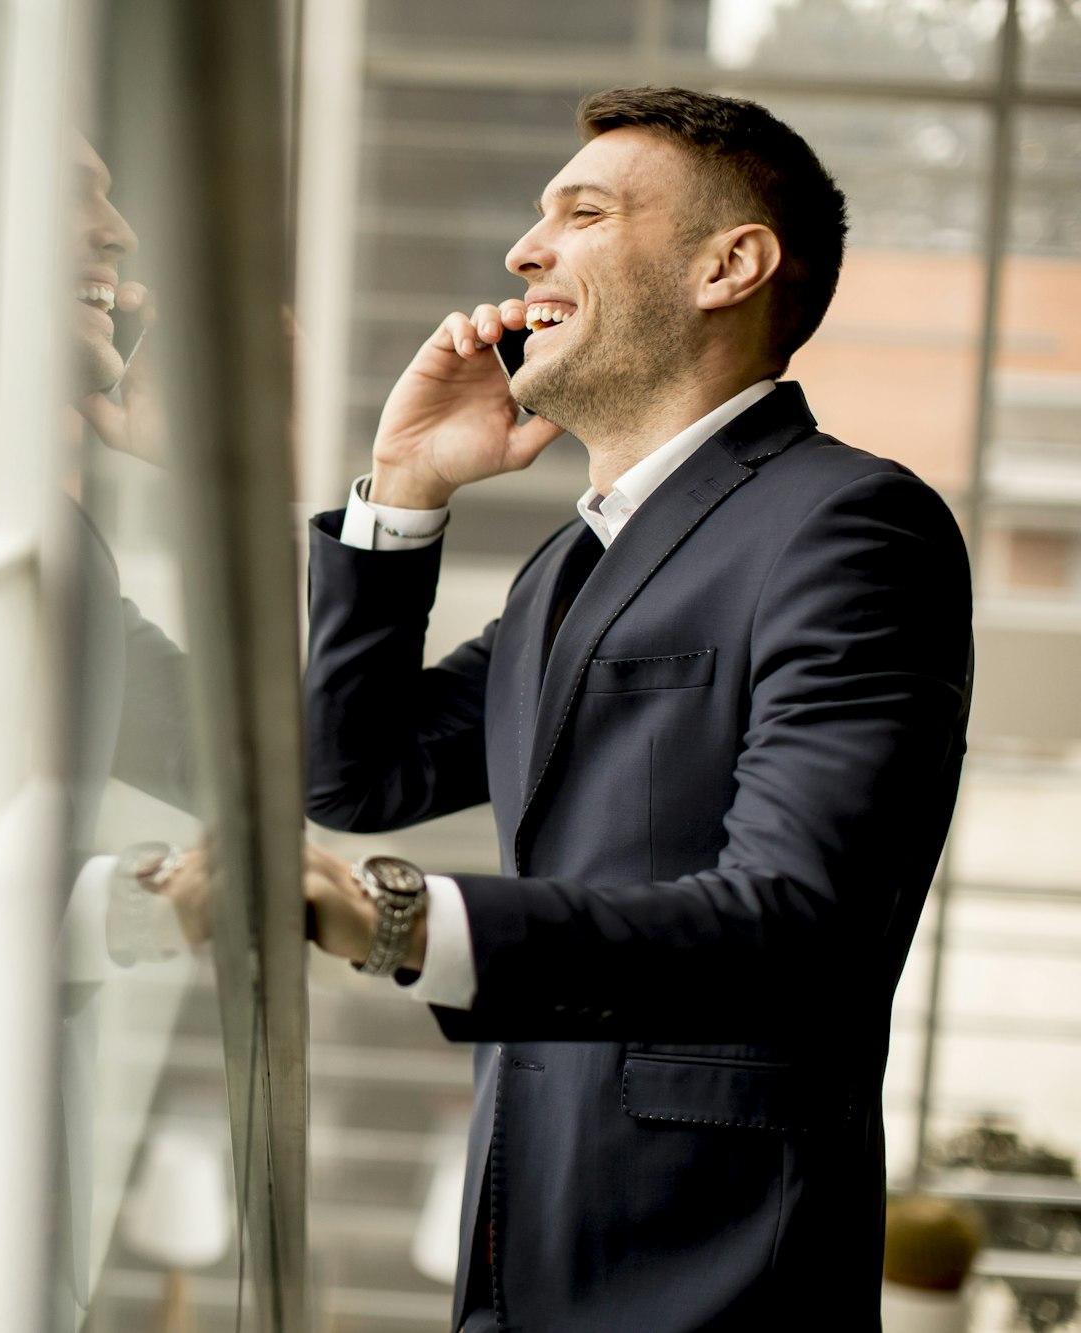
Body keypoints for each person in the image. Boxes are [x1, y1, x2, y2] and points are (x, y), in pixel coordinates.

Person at [298, 87, 975, 1331]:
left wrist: (394, 921)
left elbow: (796, 924)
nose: (521, 252)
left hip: (703, 1275)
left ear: (730, 264)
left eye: (582, 212)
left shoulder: (849, 527)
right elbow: (355, 774)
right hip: (520, 1242)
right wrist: (401, 490)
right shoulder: (572, 560)